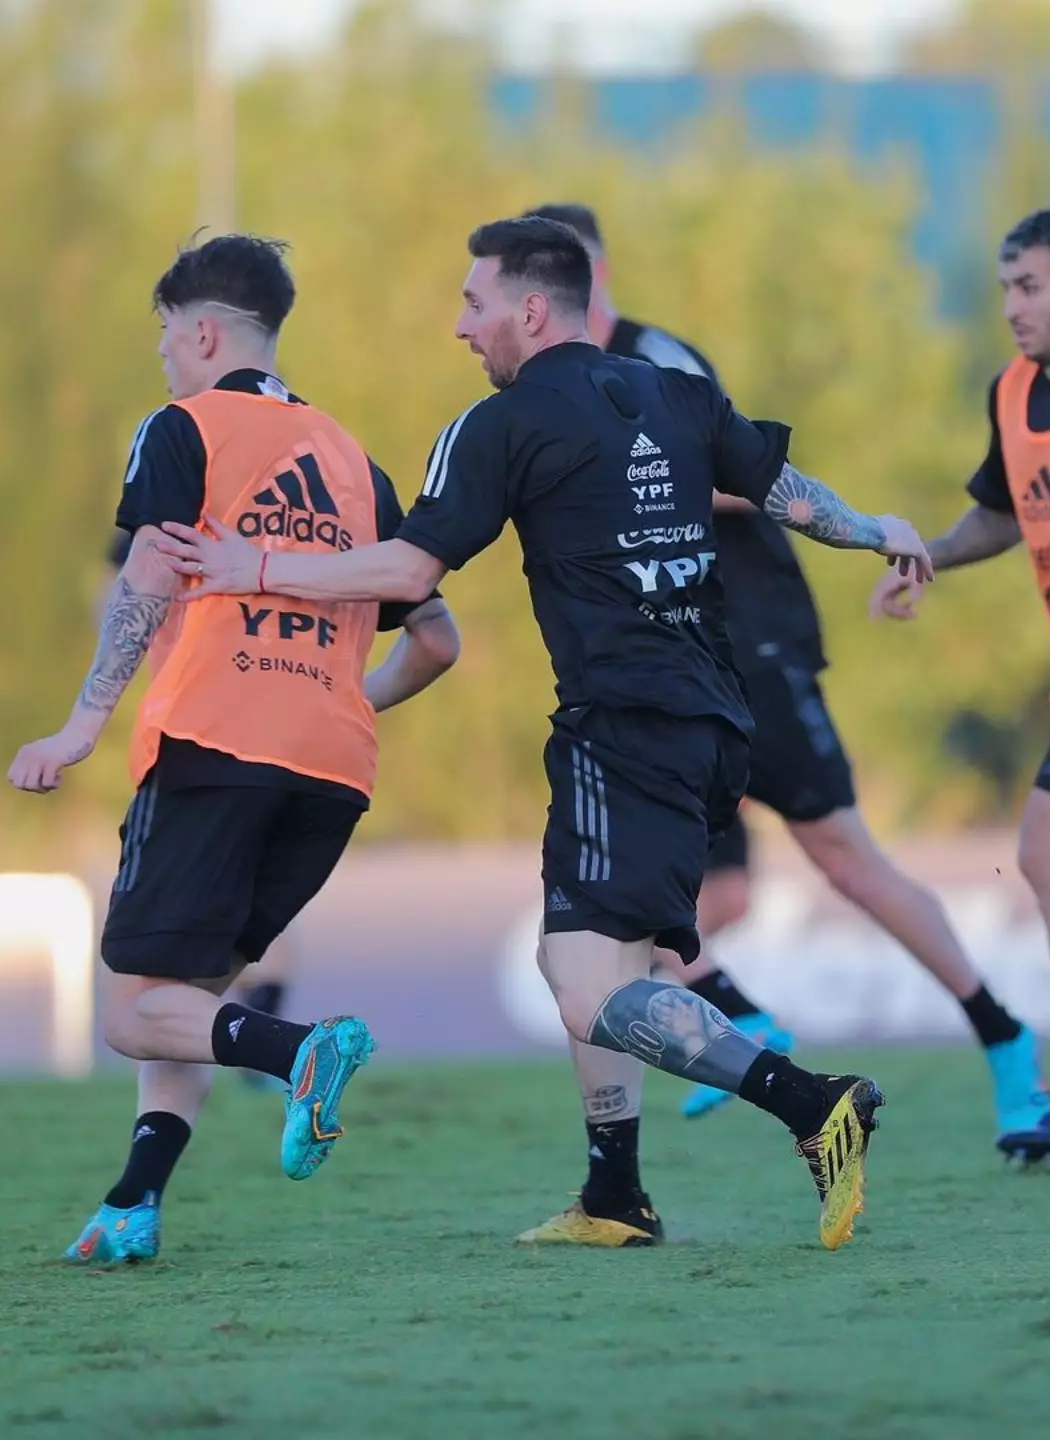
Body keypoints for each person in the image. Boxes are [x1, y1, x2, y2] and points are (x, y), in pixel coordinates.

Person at [157, 215, 937, 1251]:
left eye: (473, 304)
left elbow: (405, 572)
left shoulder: (500, 424)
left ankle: (809, 1102)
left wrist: (249, 567)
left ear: (530, 309)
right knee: (590, 957)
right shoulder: (679, 394)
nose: (459, 327)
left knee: (584, 980)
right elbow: (791, 497)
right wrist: (883, 531)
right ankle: (616, 1195)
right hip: (710, 720)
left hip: (626, 726)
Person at [502, 203, 1045, 1247]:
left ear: (571, 283)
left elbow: (743, 474)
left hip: (745, 640)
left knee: (842, 857)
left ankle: (1004, 1041)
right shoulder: (545, 390)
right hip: (668, 668)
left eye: (484, 298)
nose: (476, 321)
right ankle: (636, 1165)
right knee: (705, 899)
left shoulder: (648, 361)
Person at [8, 233, 461, 1264]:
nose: (165, 357)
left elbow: (149, 577)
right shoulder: (358, 465)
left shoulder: (183, 427)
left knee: (131, 1011)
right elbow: (439, 639)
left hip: (214, 742)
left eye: (168, 337)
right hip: (333, 769)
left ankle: (301, 1050)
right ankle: (133, 1205)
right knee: (187, 996)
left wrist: (83, 723)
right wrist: (345, 696)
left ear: (203, 330)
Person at [872, 207, 1050, 1162]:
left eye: (1028, 287)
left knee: (1048, 851)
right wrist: (931, 559)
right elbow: (1001, 516)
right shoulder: (1012, 394)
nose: (1011, 308)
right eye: (1004, 289)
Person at [103, 528, 297, 1091]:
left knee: (147, 1000)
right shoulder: (287, 512)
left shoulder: (170, 500)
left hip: (200, 745)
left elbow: (118, 594)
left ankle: (291, 1049)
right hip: (285, 740)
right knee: (256, 911)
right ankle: (272, 1038)